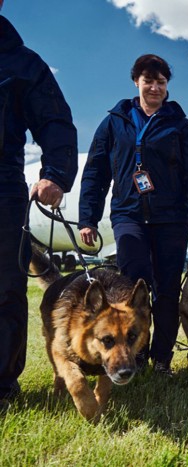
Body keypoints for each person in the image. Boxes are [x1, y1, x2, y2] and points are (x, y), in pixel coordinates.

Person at [79, 54, 188, 376]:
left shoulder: (181, 126)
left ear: (167, 86)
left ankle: (162, 358)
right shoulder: (114, 122)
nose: (154, 87)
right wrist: (87, 217)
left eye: (161, 82)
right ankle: (134, 354)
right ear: (136, 82)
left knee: (167, 291)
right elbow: (95, 172)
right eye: (148, 81)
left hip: (171, 218)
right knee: (132, 291)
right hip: (129, 216)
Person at [0, 4, 78, 407]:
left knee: (4, 290)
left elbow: (56, 123)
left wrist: (56, 175)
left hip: (3, 189)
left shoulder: (23, 62)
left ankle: (1, 388)